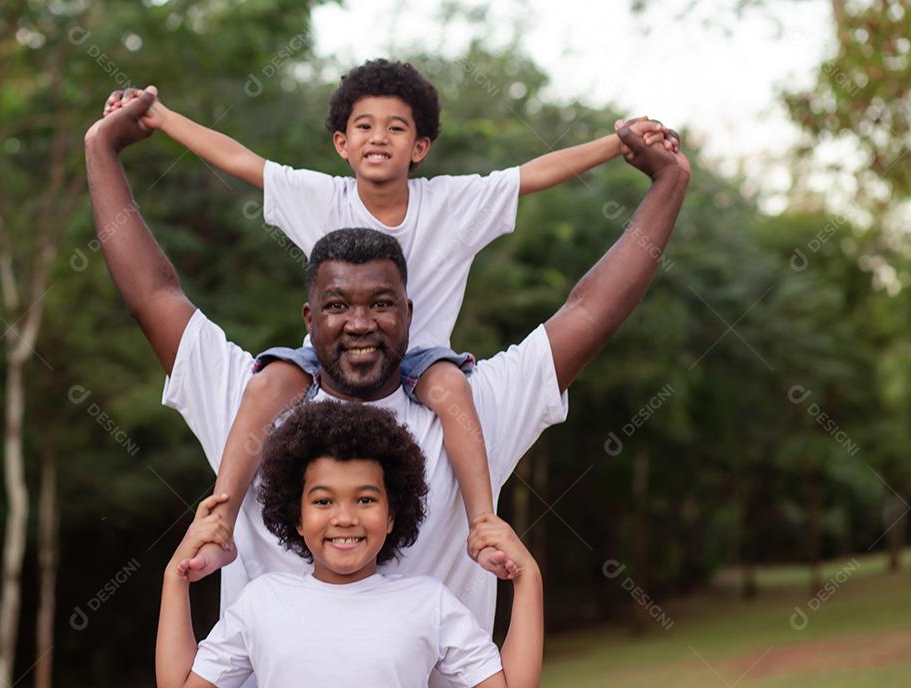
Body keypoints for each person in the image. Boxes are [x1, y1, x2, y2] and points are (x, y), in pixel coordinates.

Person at [83, 87, 689, 686]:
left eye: (382, 304)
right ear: (308, 317)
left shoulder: (467, 408)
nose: (360, 323)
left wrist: (667, 187)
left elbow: (589, 312)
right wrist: (103, 152)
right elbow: (153, 295)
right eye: (337, 305)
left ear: (409, 312)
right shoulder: (254, 398)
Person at [156, 400, 543, 688]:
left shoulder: (428, 601)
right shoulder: (262, 601)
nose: (345, 517)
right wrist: (176, 577)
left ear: (392, 515)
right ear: (297, 516)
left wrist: (528, 579)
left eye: (366, 499)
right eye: (323, 501)